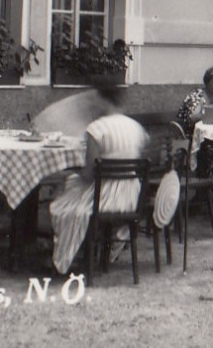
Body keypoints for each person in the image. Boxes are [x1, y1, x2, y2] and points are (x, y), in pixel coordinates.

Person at [50, 88, 150, 274]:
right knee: (70, 187)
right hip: (130, 197)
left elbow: (89, 174)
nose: (92, 106)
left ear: (103, 101)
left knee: (62, 203)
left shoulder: (96, 129)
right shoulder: (136, 127)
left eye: (95, 101)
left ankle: (68, 256)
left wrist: (71, 174)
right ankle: (101, 249)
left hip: (104, 198)